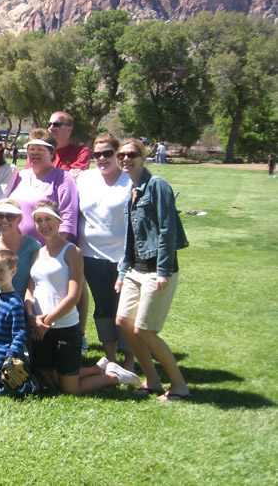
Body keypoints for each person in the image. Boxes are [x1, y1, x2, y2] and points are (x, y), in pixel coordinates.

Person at [24, 201, 140, 394]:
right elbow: (30, 289)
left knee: (69, 390)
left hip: (65, 328)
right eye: (38, 221)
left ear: (59, 221)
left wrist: (47, 321)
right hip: (40, 328)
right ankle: (97, 368)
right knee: (49, 381)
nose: (43, 225)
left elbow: (73, 296)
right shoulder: (38, 252)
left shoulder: (72, 252)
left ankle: (114, 376)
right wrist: (33, 318)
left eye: (48, 219)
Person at [114, 139, 191, 401]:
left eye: (132, 154)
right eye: (121, 154)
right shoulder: (132, 191)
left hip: (156, 268)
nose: (126, 158)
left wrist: (164, 271)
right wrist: (123, 272)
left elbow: (168, 229)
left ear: (143, 157)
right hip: (135, 269)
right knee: (123, 322)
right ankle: (153, 380)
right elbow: (130, 237)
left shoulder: (156, 184)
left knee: (143, 330)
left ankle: (179, 384)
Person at [77, 134, 134, 368]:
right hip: (91, 255)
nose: (102, 158)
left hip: (124, 256)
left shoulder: (131, 181)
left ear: (118, 155)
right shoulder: (85, 179)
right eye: (97, 154)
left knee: (127, 309)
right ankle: (111, 360)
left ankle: (130, 359)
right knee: (104, 308)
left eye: (108, 153)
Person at [9, 130, 78, 245]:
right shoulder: (20, 176)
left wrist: (55, 250)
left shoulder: (63, 178)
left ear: (51, 154)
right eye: (31, 149)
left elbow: (68, 219)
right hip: (17, 248)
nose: (35, 153)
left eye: (40, 149)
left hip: (46, 251)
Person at [0, 250, 30, 395]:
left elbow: (20, 333)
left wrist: (10, 355)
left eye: (1, 271)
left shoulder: (14, 303)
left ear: (13, 272)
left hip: (1, 356)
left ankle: (28, 387)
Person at [0, 199, 41, 299]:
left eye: (10, 216)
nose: (4, 220)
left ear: (19, 219)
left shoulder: (33, 246)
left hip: (24, 308)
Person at [45, 111, 90, 178]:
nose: (51, 128)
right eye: (49, 125)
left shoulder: (81, 152)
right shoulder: (40, 150)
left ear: (69, 129)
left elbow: (74, 179)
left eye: (56, 124)